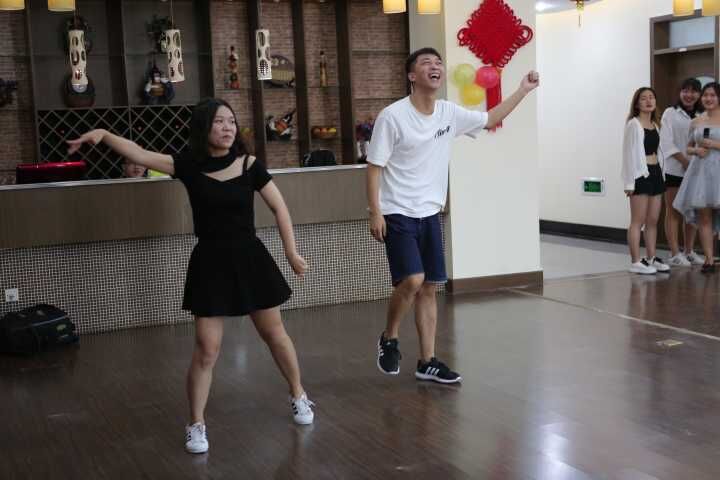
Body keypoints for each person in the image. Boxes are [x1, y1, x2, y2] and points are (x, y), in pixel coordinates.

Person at [67, 98, 315, 455]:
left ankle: (298, 394)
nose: (228, 127)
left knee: (274, 334)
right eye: (219, 121)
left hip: (250, 258)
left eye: (231, 121)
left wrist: (291, 252)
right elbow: (139, 153)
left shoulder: (249, 165)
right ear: (203, 127)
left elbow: (279, 207)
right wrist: (104, 134)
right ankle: (196, 424)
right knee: (206, 348)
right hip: (210, 261)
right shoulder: (186, 165)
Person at [366, 47, 539, 384]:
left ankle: (427, 362)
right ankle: (389, 337)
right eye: (426, 63)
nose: (435, 66)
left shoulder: (448, 112)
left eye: (438, 62)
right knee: (412, 280)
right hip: (397, 211)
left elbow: (490, 119)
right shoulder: (393, 116)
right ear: (412, 76)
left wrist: (523, 89)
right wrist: (375, 212)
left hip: (431, 212)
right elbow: (374, 168)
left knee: (430, 286)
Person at [621, 87, 670, 275]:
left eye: (651, 97)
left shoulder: (655, 125)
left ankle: (651, 258)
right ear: (637, 103)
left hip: (656, 173)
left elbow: (659, 151)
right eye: (643, 98)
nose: (649, 101)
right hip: (640, 175)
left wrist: (662, 175)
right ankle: (635, 261)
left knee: (652, 220)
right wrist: (629, 183)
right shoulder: (633, 124)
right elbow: (628, 154)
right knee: (638, 221)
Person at [673, 82, 720, 273]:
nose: (708, 98)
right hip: (701, 173)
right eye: (706, 95)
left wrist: (715, 145)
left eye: (713, 95)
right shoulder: (696, 121)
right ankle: (709, 259)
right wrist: (696, 150)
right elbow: (688, 147)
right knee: (705, 217)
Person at [660, 78, 704, 267]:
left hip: (697, 170)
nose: (689, 95)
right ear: (680, 92)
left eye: (693, 91)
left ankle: (689, 251)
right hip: (674, 170)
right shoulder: (670, 113)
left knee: (692, 211)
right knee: (673, 211)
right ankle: (675, 253)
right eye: (685, 90)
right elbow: (666, 141)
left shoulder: (703, 115)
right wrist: (684, 161)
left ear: (699, 94)